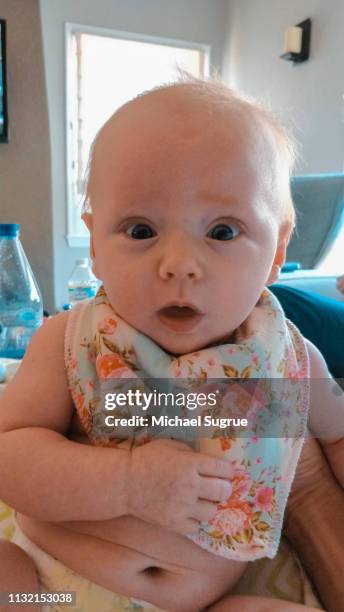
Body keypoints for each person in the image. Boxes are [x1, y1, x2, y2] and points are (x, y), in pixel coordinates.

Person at [0, 77, 343, 612]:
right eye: (140, 231)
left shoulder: (291, 359)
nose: (179, 263)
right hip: (46, 584)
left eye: (223, 232)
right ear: (95, 242)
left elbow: (339, 439)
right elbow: (9, 453)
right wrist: (127, 484)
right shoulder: (70, 341)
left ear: (276, 250)